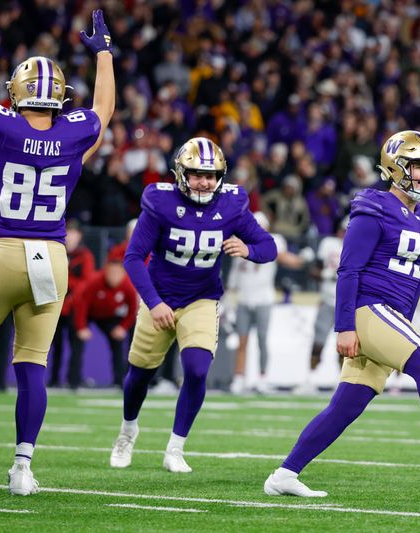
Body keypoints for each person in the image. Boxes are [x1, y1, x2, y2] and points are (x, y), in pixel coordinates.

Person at [263, 130, 420, 498]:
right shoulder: (373, 208)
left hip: (392, 316)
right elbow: (348, 271)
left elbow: (418, 277)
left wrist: (404, 328)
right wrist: (344, 327)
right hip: (368, 309)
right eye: (417, 166)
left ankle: (284, 474)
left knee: (346, 406)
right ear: (395, 168)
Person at [0, 9, 114, 496]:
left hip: (3, 249)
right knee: (32, 364)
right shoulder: (75, 135)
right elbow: (103, 111)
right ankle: (21, 468)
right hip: (51, 256)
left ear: (15, 93)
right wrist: (104, 56)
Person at [109, 137, 277, 473]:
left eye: (211, 175)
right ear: (181, 173)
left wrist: (249, 251)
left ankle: (175, 447)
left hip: (202, 297)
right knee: (140, 375)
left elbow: (268, 246)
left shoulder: (231, 205)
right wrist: (154, 303)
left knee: (198, 370)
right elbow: (132, 258)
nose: (205, 182)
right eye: (197, 174)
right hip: (160, 297)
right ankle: (128, 430)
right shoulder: (160, 202)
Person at [225, 211, 309, 395]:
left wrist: (303, 260)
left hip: (263, 298)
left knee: (262, 340)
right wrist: (229, 301)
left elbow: (285, 258)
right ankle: (239, 378)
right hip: (244, 299)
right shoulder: (238, 241)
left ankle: (262, 378)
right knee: (242, 341)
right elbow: (233, 277)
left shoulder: (272, 241)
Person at [293, 216, 347, 395]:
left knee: (345, 346)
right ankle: (310, 378)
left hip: (347, 303)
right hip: (327, 300)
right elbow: (315, 271)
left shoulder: (359, 246)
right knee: (318, 343)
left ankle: (342, 382)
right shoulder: (329, 244)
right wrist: (326, 274)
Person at [72, 248, 138, 388]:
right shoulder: (94, 282)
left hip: (110, 317)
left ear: (123, 273)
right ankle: (73, 380)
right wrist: (81, 327)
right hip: (90, 314)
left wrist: (123, 327)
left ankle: (119, 381)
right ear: (105, 270)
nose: (114, 276)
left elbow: (133, 310)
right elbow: (81, 305)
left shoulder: (128, 286)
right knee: (77, 341)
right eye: (111, 272)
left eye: (117, 273)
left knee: (118, 343)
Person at [48, 219, 95, 389]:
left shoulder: (85, 255)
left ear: (79, 235)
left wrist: (68, 287)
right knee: (55, 345)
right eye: (68, 232)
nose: (70, 237)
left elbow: (86, 283)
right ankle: (53, 380)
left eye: (74, 233)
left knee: (76, 345)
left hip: (76, 307)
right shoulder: (54, 251)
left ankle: (73, 380)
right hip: (55, 305)